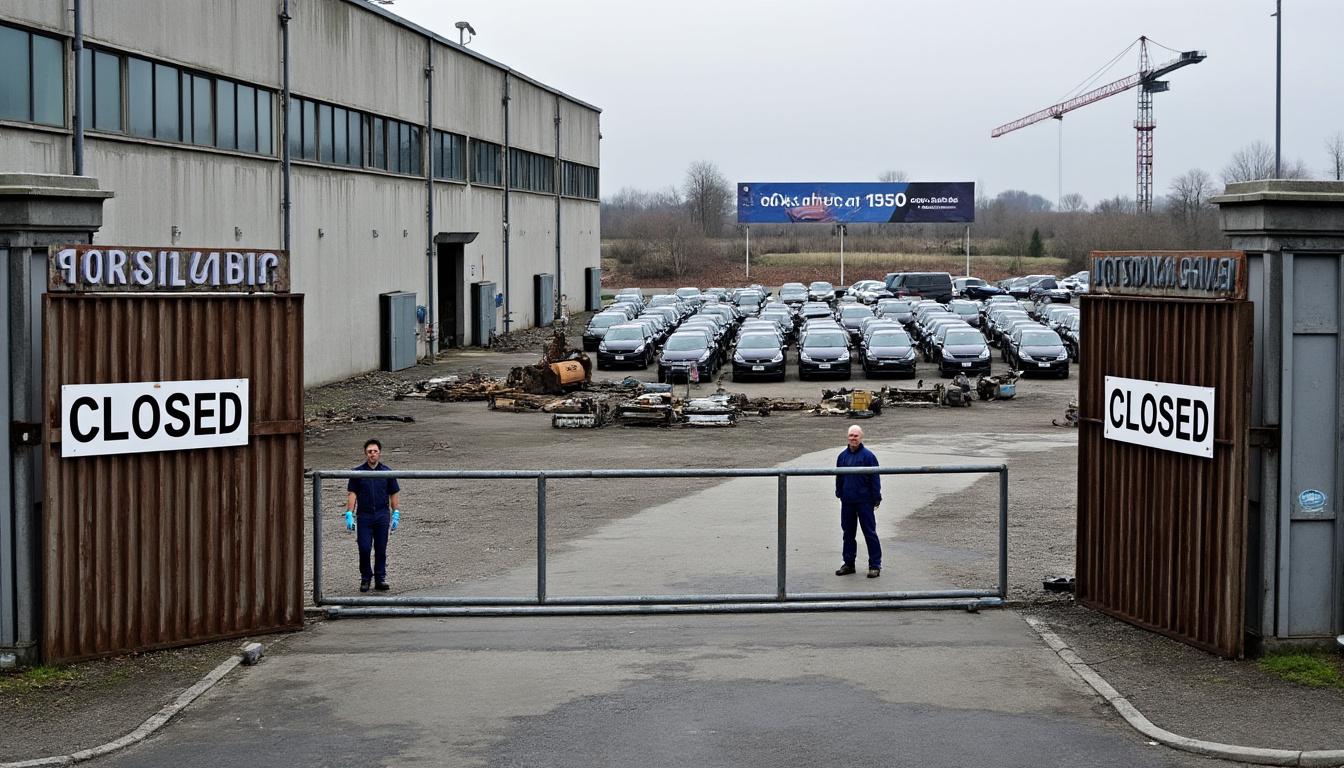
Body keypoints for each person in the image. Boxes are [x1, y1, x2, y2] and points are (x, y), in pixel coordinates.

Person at [345, 438, 402, 592]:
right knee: (364, 548)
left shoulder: (387, 472)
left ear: (379, 453)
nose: (372, 454)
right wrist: (349, 513)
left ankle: (379, 578)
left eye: (375, 451)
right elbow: (352, 493)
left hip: (382, 514)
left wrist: (396, 512)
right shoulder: (357, 472)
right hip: (364, 515)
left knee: (381, 548)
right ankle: (365, 578)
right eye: (370, 451)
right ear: (365, 453)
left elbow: (394, 493)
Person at [834, 424, 882, 578]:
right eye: (851, 435)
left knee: (869, 532)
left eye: (856, 436)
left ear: (861, 437)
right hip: (847, 501)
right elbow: (839, 477)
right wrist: (839, 493)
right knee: (848, 533)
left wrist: (876, 497)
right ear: (847, 437)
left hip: (864, 501)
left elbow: (875, 477)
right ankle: (849, 563)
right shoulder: (842, 456)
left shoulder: (868, 456)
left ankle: (875, 565)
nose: (853, 438)